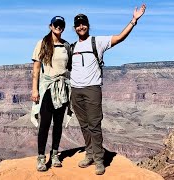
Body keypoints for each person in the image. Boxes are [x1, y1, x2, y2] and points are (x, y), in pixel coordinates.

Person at [70, 4, 146, 175]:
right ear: (75, 28)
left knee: (94, 125)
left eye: (84, 24)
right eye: (78, 24)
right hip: (75, 90)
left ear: (88, 26)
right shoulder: (72, 47)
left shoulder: (98, 42)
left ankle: (98, 160)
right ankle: (89, 154)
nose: (81, 27)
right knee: (83, 125)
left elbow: (120, 37)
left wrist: (133, 21)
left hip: (92, 89)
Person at [31, 16, 71, 172]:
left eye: (61, 25)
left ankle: (55, 154)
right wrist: (34, 90)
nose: (58, 27)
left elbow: (69, 68)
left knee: (58, 123)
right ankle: (41, 157)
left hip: (62, 88)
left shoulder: (66, 46)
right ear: (50, 26)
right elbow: (36, 68)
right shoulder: (42, 43)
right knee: (45, 123)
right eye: (56, 24)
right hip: (47, 88)